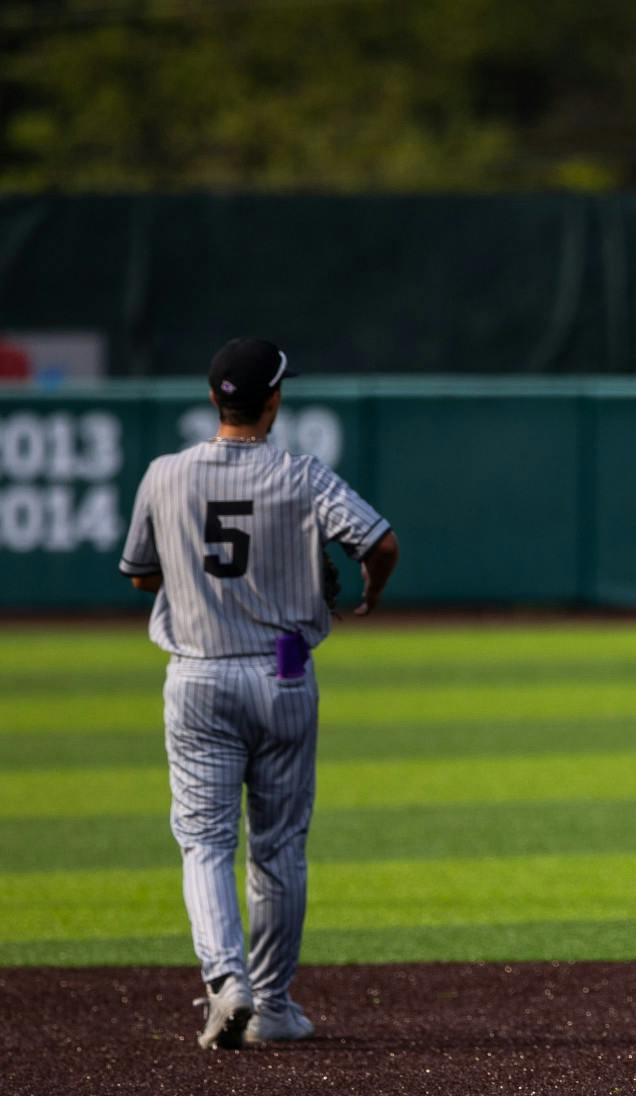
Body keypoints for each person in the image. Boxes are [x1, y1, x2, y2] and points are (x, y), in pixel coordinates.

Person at [119, 337, 399, 1050]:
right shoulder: (303, 476)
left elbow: (140, 576)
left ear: (216, 399)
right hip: (282, 669)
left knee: (204, 841)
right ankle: (272, 1005)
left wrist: (191, 576)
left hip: (199, 672)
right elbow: (380, 542)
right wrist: (367, 594)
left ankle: (226, 978)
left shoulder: (163, 474)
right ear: (272, 400)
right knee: (278, 847)